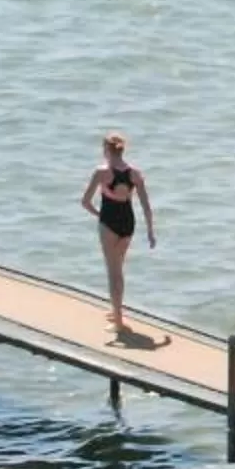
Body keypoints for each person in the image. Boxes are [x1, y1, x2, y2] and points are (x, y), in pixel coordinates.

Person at [80, 132, 156, 339]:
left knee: (113, 271)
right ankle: (116, 312)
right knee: (119, 268)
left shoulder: (102, 172)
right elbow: (146, 206)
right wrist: (150, 232)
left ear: (106, 149)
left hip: (110, 222)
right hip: (128, 221)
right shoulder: (135, 173)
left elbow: (85, 202)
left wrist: (100, 215)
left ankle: (119, 323)